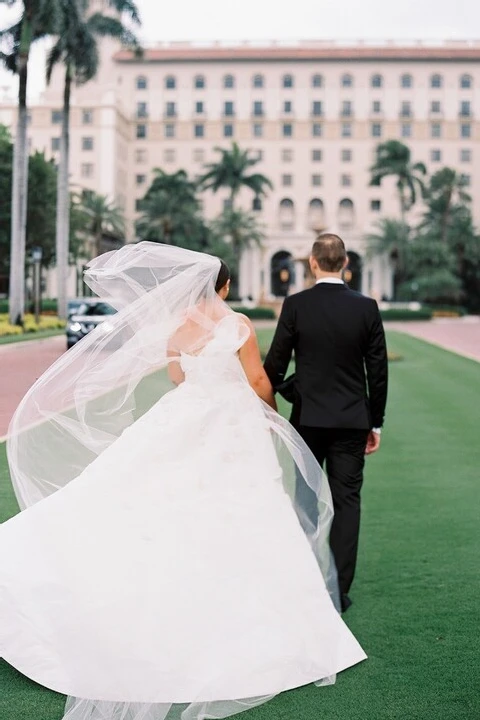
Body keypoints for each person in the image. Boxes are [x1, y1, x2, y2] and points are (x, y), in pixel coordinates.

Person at [0, 243, 365, 720]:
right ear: (226, 286)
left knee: (157, 498)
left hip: (186, 413)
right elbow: (257, 381)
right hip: (232, 423)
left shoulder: (176, 327)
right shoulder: (236, 324)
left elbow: (177, 377)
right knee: (244, 510)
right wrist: (269, 415)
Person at [264, 233, 388, 614]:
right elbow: (377, 372)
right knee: (348, 503)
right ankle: (339, 592)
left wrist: (282, 390)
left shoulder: (297, 304)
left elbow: (276, 362)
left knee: (305, 501)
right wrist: (376, 423)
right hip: (352, 420)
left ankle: (305, 583)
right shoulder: (366, 307)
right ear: (345, 262)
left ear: (313, 263)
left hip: (308, 420)